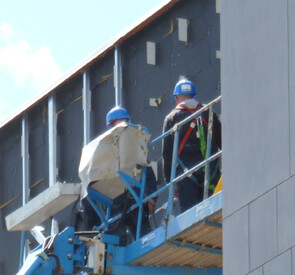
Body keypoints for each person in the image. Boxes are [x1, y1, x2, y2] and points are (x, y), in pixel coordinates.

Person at [79, 106, 157, 242]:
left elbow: (148, 176)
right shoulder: (102, 156)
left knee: (145, 241)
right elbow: (89, 186)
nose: (124, 129)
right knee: (115, 244)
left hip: (136, 204)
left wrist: (151, 197)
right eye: (120, 124)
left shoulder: (136, 155)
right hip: (115, 207)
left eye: (126, 124)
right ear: (110, 127)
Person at [162, 78, 221, 212]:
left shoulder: (171, 119)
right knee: (214, 210)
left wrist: (171, 182)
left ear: (176, 98)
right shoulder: (208, 111)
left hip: (186, 175)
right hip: (211, 170)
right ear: (194, 96)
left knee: (190, 213)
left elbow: (167, 154)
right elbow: (221, 140)